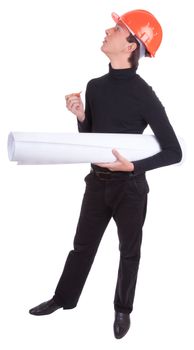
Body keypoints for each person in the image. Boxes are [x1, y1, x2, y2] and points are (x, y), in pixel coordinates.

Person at [29, 9, 182, 339]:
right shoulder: (94, 87)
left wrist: (134, 167)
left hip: (130, 189)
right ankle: (63, 299)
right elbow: (92, 142)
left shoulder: (144, 94)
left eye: (116, 29)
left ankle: (122, 310)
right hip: (97, 185)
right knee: (82, 246)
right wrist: (82, 116)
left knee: (129, 252)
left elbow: (174, 151)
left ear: (130, 45)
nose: (107, 31)